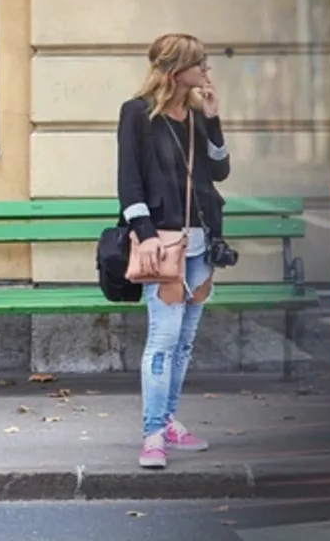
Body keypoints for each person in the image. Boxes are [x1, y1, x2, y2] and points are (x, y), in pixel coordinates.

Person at [116, 33, 230, 469]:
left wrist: (215, 120)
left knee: (183, 343)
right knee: (162, 341)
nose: (207, 70)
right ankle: (152, 435)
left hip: (200, 245)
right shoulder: (137, 115)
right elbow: (129, 181)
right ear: (175, 70)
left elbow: (220, 171)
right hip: (162, 244)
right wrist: (143, 234)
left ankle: (167, 422)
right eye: (200, 63)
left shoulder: (197, 116)